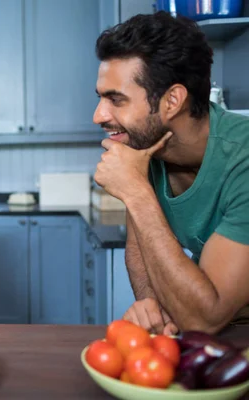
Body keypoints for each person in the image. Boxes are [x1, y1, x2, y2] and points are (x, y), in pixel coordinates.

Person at [93, 11, 249, 334]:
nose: (98, 116)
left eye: (116, 100)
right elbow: (139, 254)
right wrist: (157, 312)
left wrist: (136, 191)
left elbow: (206, 319)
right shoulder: (145, 149)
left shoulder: (243, 158)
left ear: (172, 100)